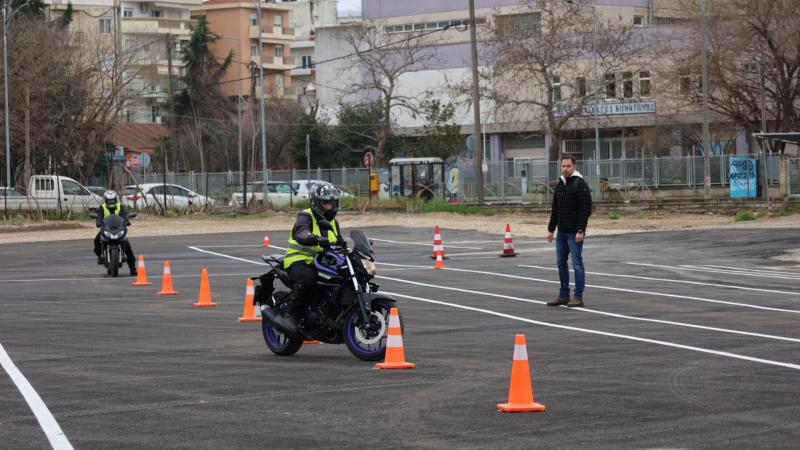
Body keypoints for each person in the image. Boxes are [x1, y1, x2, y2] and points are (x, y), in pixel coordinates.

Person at [276, 182, 345, 331]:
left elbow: (340, 242)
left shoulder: (333, 222)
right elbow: (301, 232)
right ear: (316, 202)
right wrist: (314, 238)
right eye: (326, 202)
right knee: (308, 278)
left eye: (333, 202)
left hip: (323, 262)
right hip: (299, 260)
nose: (331, 206)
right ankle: (290, 312)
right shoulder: (305, 216)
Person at [546, 154, 592, 307]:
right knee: (560, 263)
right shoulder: (560, 184)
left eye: (568, 166)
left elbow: (585, 209)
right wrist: (551, 229)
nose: (565, 169)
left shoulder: (580, 184)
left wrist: (580, 230)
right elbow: (555, 209)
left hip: (574, 232)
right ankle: (563, 295)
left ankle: (578, 296)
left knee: (577, 263)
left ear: (574, 167)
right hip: (562, 232)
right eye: (563, 166)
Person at [94, 190, 137, 276]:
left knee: (128, 249)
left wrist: (127, 220)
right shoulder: (101, 208)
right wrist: (98, 222)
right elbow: (99, 217)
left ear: (115, 199)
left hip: (118, 229)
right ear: (106, 200)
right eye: (109, 200)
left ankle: (133, 269)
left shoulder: (120, 207)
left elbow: (124, 216)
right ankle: (100, 256)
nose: (111, 202)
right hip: (106, 229)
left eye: (112, 200)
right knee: (96, 240)